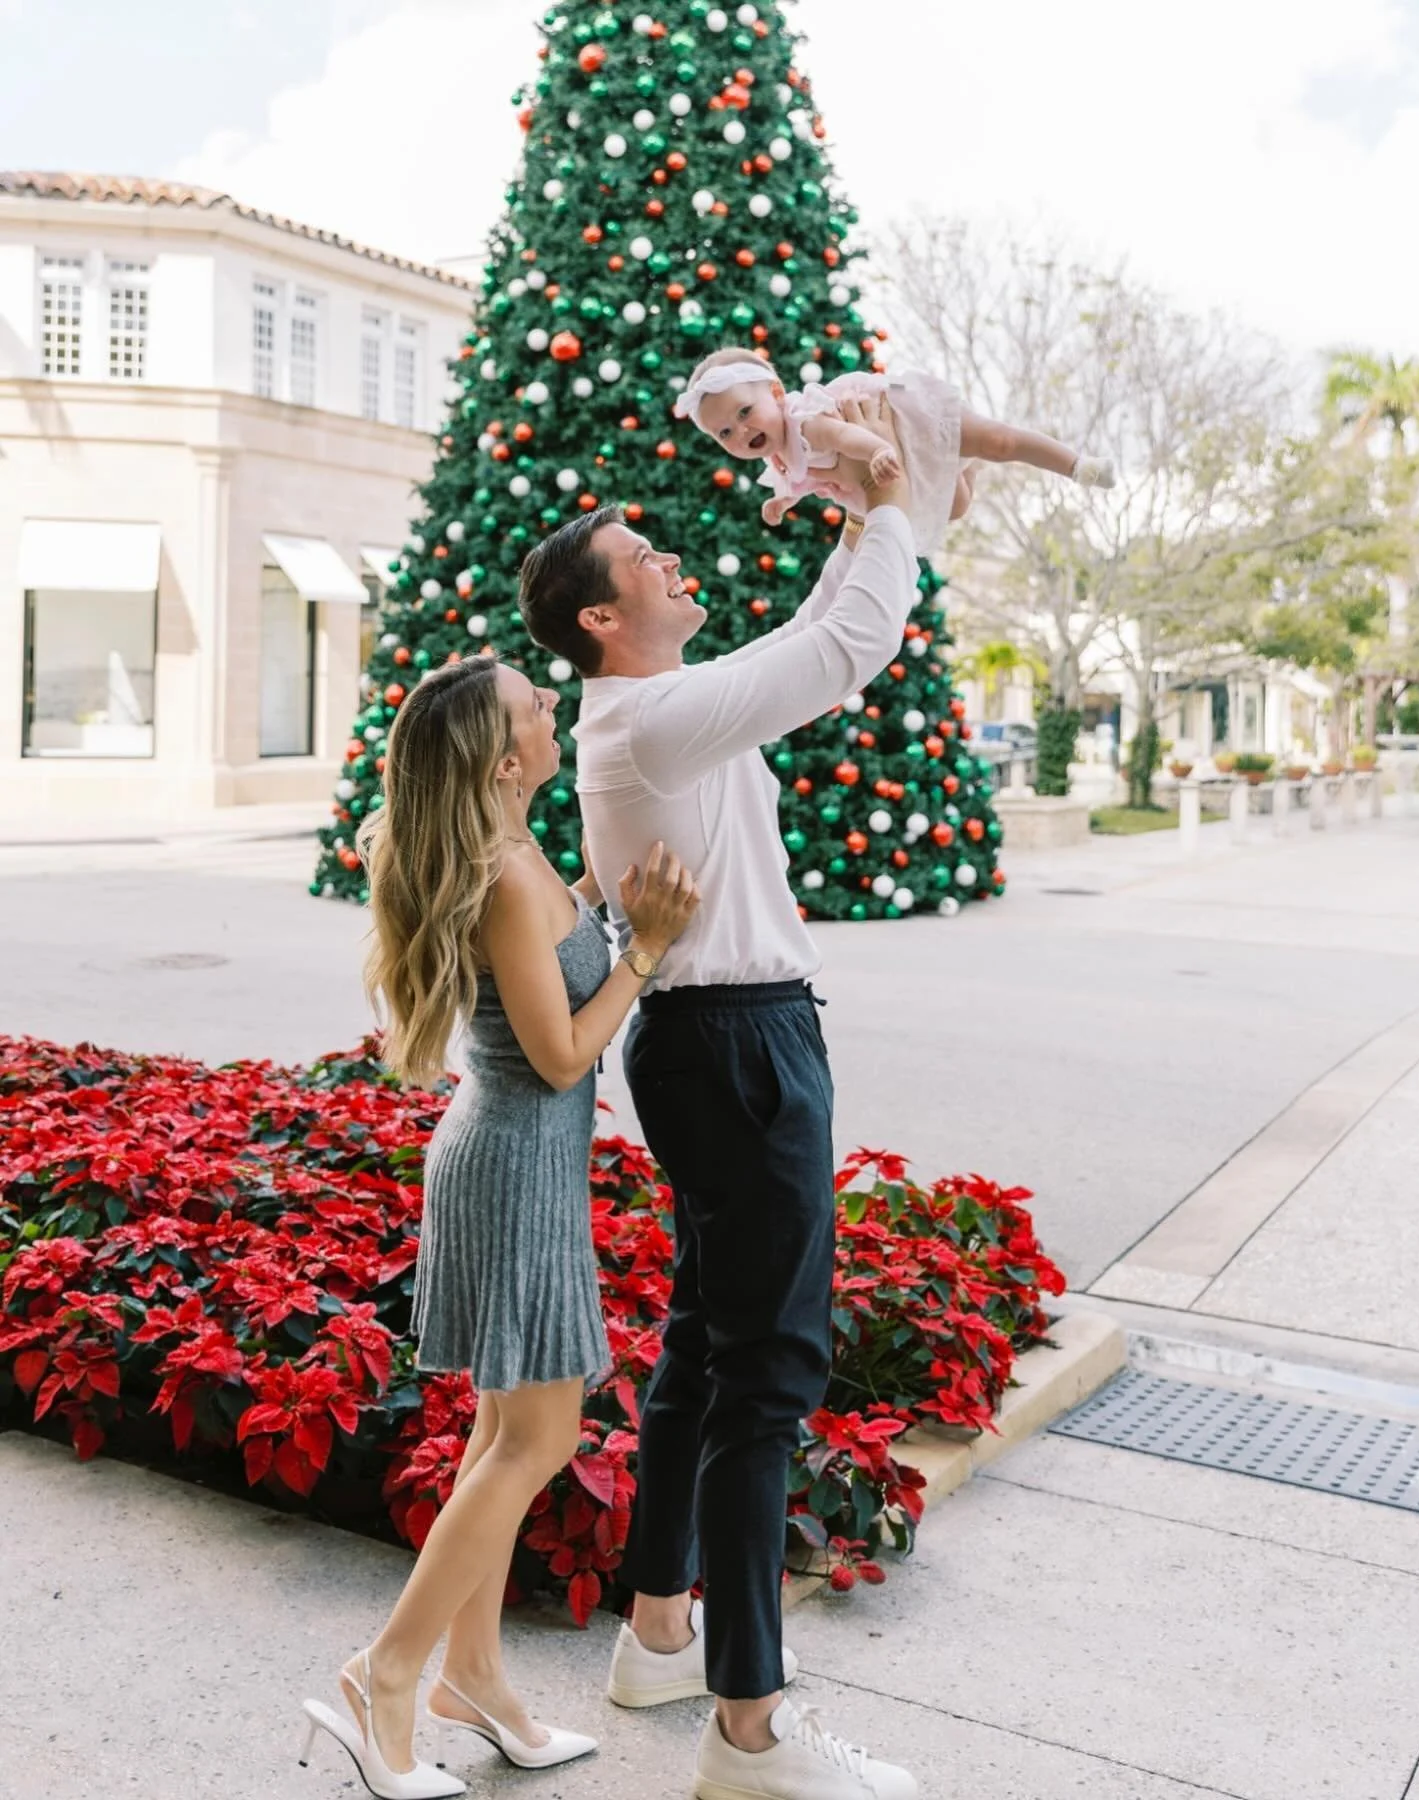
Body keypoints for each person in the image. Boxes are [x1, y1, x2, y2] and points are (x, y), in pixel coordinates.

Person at [518, 391, 921, 1800]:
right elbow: (847, 648)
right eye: (645, 560)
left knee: (704, 1345)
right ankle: (749, 1731)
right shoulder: (656, 722)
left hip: (711, 1043)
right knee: (769, 1381)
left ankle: (656, 1631)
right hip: (741, 1048)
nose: (673, 562)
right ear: (600, 622)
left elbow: (800, 648)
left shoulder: (653, 713)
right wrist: (882, 503)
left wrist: (858, 518)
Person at [298, 653, 700, 1800]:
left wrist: (607, 902)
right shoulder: (507, 876)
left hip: (509, 1157)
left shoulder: (521, 857)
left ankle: (472, 1676)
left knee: (497, 1436)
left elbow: (548, 976)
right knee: (536, 1442)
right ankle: (385, 1675)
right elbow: (566, 1052)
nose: (554, 708)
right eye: (535, 705)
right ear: (504, 754)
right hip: (514, 1164)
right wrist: (648, 951)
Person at [675, 344, 1115, 558]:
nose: (740, 431)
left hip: (908, 422)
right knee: (957, 505)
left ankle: (1079, 465)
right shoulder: (779, 455)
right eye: (725, 433)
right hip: (899, 456)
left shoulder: (805, 421)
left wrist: (877, 450)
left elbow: (845, 439)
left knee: (999, 441)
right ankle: (970, 469)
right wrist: (783, 499)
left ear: (776, 392)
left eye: (745, 412)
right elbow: (808, 477)